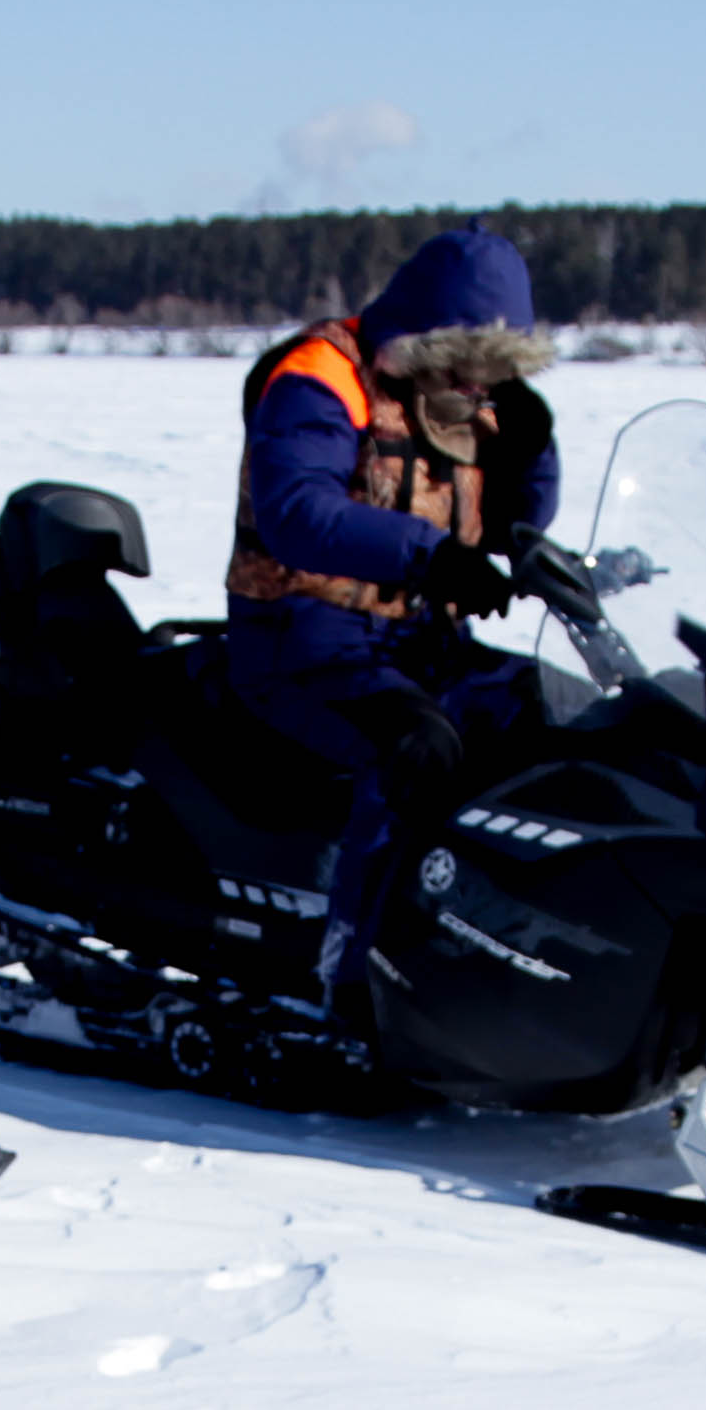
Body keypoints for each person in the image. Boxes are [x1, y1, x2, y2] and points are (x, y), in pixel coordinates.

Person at [222, 227, 561, 997]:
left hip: (424, 640)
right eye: (462, 365)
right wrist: (430, 557)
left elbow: (509, 523)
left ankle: (521, 962)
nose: (474, 387)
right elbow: (295, 509)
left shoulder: (469, 394)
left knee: (553, 719)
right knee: (413, 751)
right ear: (423, 340)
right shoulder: (320, 376)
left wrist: (532, 458)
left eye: (491, 371)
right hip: (302, 639)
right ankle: (357, 982)